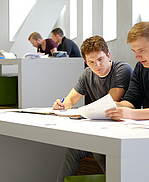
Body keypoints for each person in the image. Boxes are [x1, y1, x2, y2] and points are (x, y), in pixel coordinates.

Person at [53, 35, 133, 182]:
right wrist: (62, 104)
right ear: (85, 62)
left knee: (98, 149)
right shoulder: (87, 74)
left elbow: (110, 102)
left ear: (108, 55)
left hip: (122, 129)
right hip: (101, 127)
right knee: (73, 148)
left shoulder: (122, 69)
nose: (97, 65)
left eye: (100, 59)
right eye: (91, 62)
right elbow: (71, 99)